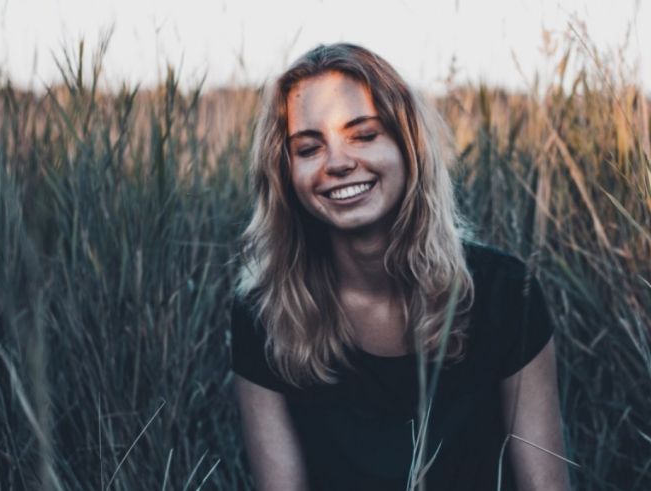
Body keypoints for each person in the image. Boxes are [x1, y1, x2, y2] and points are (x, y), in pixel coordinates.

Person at [230, 43, 569, 490]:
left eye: (364, 135)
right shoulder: (265, 312)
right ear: (284, 172)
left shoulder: (506, 294)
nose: (338, 163)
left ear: (408, 146)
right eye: (309, 148)